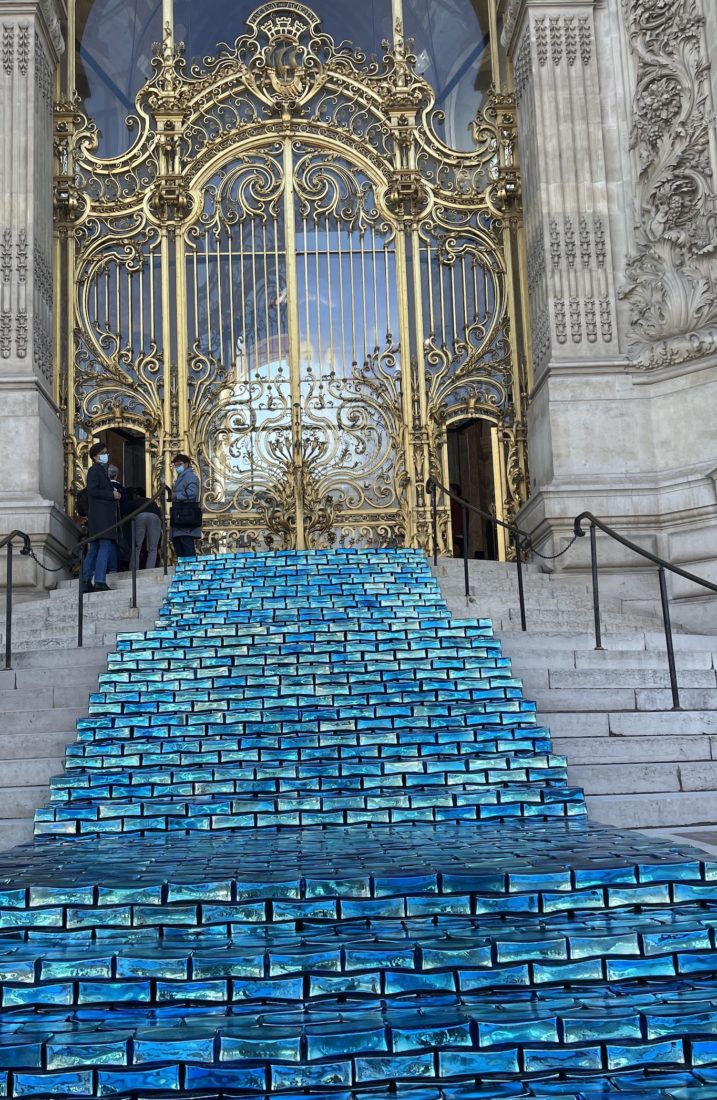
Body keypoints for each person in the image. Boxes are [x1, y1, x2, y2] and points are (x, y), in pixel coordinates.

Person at [81, 442, 121, 593]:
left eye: (106, 452)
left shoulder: (99, 470)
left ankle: (86, 580)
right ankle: (99, 580)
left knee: (95, 548)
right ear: (96, 456)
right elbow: (93, 491)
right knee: (103, 546)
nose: (106, 455)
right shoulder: (95, 470)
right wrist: (112, 494)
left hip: (99, 516)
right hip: (101, 516)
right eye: (103, 452)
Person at [168, 453, 201, 558]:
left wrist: (176, 495)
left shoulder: (190, 476)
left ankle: (190, 569)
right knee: (179, 543)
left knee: (185, 543)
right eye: (176, 465)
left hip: (185, 514)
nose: (178, 467)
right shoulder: (181, 477)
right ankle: (184, 569)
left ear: (186, 464)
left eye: (180, 464)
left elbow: (193, 492)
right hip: (181, 515)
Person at [130, 489, 163, 570]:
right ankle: (150, 569)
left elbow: (124, 508)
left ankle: (133, 570)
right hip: (155, 516)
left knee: (137, 546)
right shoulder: (152, 502)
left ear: (137, 496)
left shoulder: (136, 501)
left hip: (140, 516)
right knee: (153, 547)